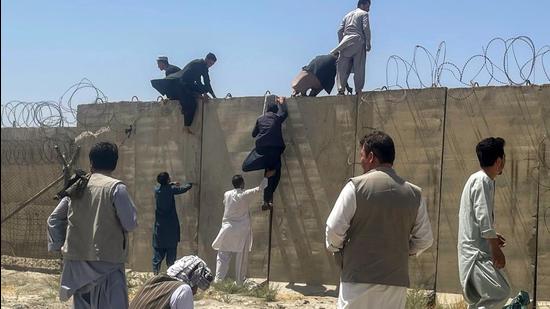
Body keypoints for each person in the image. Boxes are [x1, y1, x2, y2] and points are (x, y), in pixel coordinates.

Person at [326, 131, 433, 309]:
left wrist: (338, 249)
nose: (360, 161)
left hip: (357, 279)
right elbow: (425, 240)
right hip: (395, 283)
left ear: (371, 157)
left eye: (361, 155)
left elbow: (334, 228)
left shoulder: (355, 187)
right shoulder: (414, 193)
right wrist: (404, 251)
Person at [47, 142, 138, 309]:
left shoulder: (77, 186)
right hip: (108, 264)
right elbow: (130, 224)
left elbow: (53, 219)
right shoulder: (116, 188)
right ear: (114, 162)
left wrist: (59, 248)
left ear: (91, 162)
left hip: (77, 265)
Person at [458, 137, 511, 308]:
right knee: (500, 292)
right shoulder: (482, 180)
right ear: (499, 161)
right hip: (476, 255)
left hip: (474, 252)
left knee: (489, 297)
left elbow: (478, 218)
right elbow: (483, 217)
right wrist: (495, 249)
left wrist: (493, 238)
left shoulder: (479, 179)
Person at [211, 171, 275, 284]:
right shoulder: (245, 194)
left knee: (223, 255)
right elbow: (259, 189)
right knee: (241, 257)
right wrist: (266, 177)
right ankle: (240, 282)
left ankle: (218, 280)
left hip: (227, 229)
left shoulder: (227, 194)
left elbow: (226, 202)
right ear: (242, 184)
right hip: (241, 230)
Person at [241, 95, 288, 211]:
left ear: (267, 110)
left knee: (246, 166)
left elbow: (253, 134)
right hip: (275, 151)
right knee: (274, 174)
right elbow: (285, 113)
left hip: (262, 151)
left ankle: (267, 201)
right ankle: (268, 200)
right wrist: (281, 103)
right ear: (275, 111)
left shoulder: (260, 119)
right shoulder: (277, 118)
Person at [129, 255, 214, 309]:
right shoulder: (183, 289)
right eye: (196, 285)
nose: (195, 292)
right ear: (191, 277)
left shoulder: (153, 281)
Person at [152, 172, 193, 275]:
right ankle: (171, 274)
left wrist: (171, 183)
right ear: (167, 180)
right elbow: (183, 189)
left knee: (158, 254)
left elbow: (163, 188)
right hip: (171, 228)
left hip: (160, 229)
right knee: (171, 255)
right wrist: (190, 184)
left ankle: (155, 273)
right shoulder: (171, 190)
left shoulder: (157, 190)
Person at [331, 0, 371, 96]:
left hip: (345, 41)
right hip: (358, 40)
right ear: (362, 4)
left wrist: (341, 44)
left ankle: (341, 90)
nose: (368, 9)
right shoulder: (364, 14)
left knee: (342, 68)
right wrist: (368, 43)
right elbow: (366, 28)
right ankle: (358, 90)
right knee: (359, 67)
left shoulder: (347, 15)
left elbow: (339, 31)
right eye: (368, 6)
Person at [176, 52, 218, 134]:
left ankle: (198, 96)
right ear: (206, 59)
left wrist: (213, 95)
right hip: (183, 85)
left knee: (202, 91)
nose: (210, 65)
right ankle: (186, 126)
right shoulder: (197, 64)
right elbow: (197, 81)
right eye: (210, 63)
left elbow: (207, 82)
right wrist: (202, 93)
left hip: (191, 84)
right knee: (192, 104)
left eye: (212, 64)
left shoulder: (204, 68)